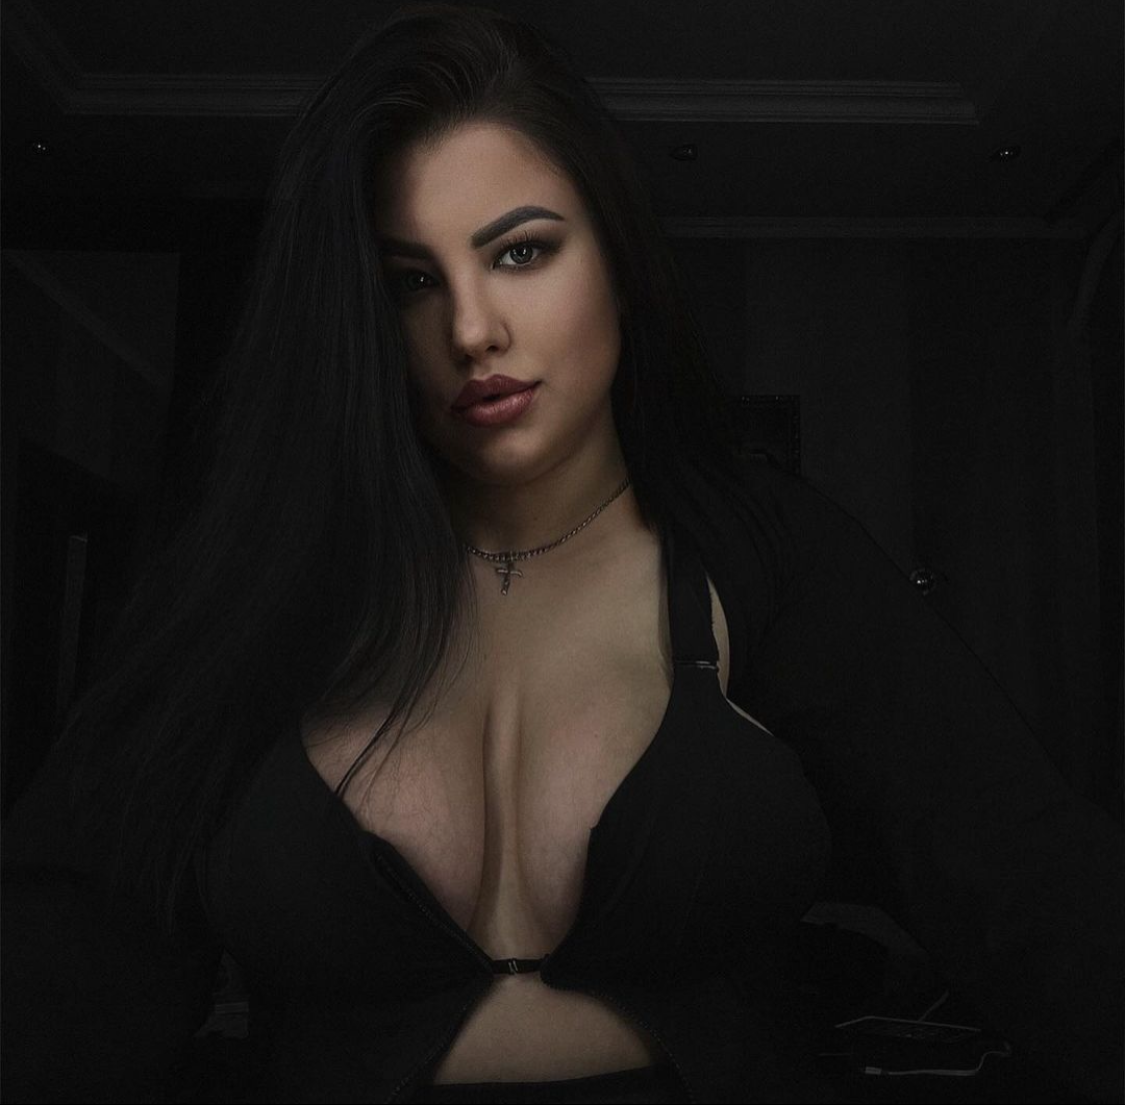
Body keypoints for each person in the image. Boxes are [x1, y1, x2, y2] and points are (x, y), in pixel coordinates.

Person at [2, 4, 1121, 1103]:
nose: (471, 329)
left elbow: (1025, 884)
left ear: (618, 262)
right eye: (411, 281)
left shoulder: (769, 551)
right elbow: (69, 961)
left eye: (522, 251)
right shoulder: (250, 576)